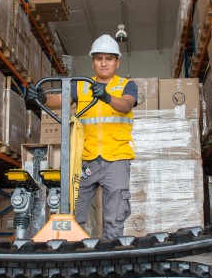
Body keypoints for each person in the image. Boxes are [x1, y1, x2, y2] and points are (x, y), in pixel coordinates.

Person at [26, 34, 138, 240]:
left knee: (114, 214)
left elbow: (126, 105)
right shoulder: (81, 86)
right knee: (74, 210)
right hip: (86, 159)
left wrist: (105, 96)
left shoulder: (127, 85)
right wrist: (40, 97)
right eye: (99, 58)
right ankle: (76, 251)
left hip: (117, 159)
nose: (104, 63)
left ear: (117, 62)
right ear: (93, 61)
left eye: (109, 58)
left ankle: (109, 255)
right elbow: (59, 99)